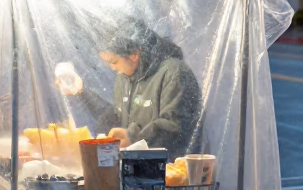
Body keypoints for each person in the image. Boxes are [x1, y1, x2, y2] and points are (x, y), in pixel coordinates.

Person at [55, 20, 201, 160]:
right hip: (135, 173)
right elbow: (118, 123)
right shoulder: (125, 78)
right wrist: (82, 92)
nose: (112, 67)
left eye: (114, 61)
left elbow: (175, 128)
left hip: (169, 175)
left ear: (134, 54)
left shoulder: (174, 73)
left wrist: (133, 137)